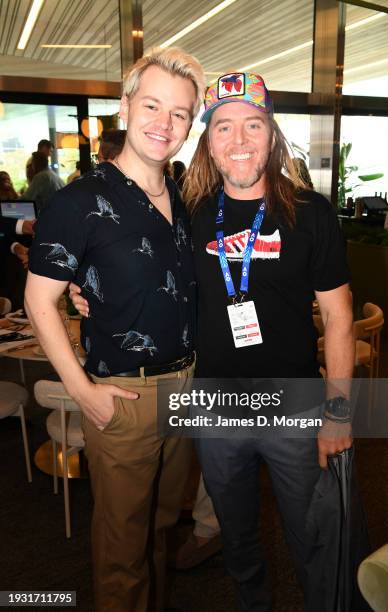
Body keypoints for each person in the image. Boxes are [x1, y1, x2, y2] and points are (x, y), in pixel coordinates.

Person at [70, 71, 356, 611]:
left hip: (293, 404)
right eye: (224, 127)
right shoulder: (188, 212)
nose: (240, 140)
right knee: (237, 536)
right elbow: (132, 269)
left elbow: (339, 320)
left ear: (271, 136)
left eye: (253, 125)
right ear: (207, 140)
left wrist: (338, 414)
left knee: (317, 537)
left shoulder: (310, 213)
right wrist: (85, 293)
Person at [25, 47, 206, 612]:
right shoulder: (78, 201)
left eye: (179, 113)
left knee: (156, 528)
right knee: (122, 546)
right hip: (125, 395)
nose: (164, 123)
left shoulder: (177, 195)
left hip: (185, 385)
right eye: (152, 104)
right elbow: (39, 300)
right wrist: (81, 392)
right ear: (125, 107)